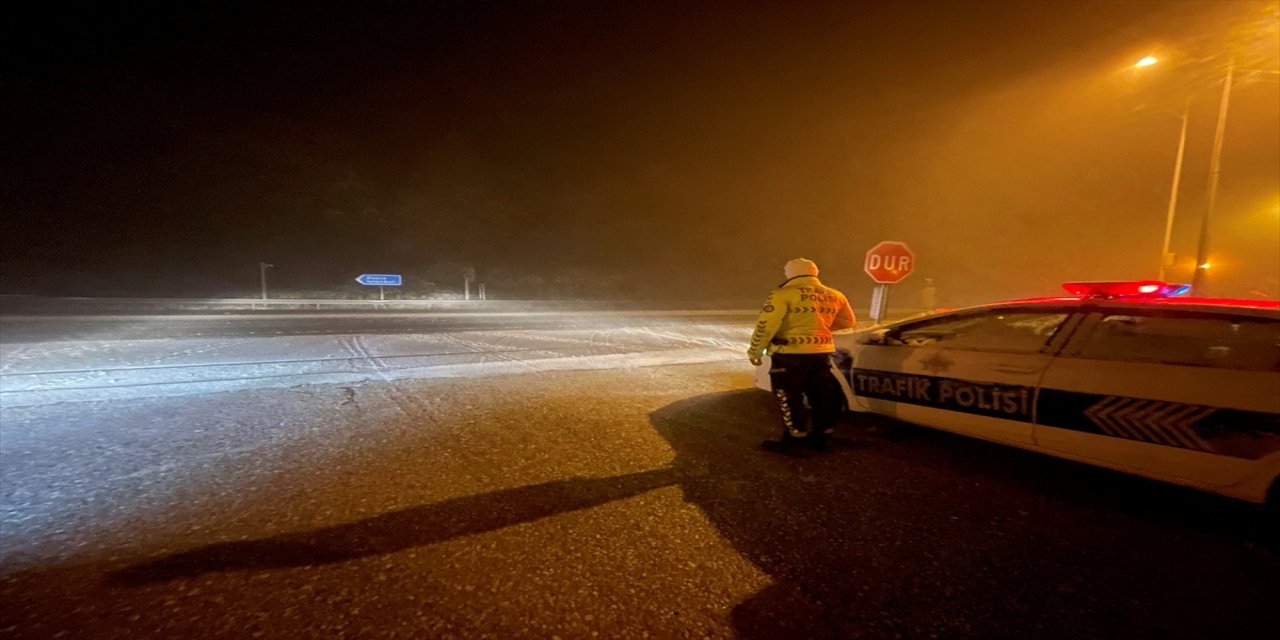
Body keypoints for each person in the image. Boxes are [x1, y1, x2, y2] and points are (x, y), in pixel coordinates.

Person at [748, 258, 856, 454]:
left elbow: (766, 325)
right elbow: (848, 322)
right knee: (822, 396)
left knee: (790, 398)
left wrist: (755, 350)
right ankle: (822, 438)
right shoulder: (835, 295)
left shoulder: (782, 294)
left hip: (789, 354)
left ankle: (795, 442)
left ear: (791, 273)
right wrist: (818, 329)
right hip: (821, 353)